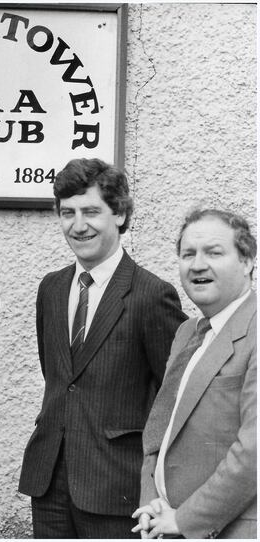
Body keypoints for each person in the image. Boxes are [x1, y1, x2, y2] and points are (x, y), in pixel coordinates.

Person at [18, 158, 187, 538]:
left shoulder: (151, 294)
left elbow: (175, 398)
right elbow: (59, 376)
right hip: (48, 483)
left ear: (120, 215)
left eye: (92, 211)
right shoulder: (51, 288)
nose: (79, 225)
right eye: (68, 213)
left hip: (117, 487)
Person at [132, 209, 256, 539]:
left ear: (247, 262)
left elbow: (254, 452)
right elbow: (158, 429)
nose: (197, 264)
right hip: (165, 526)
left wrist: (185, 521)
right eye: (188, 254)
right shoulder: (188, 331)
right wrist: (151, 502)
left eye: (214, 252)